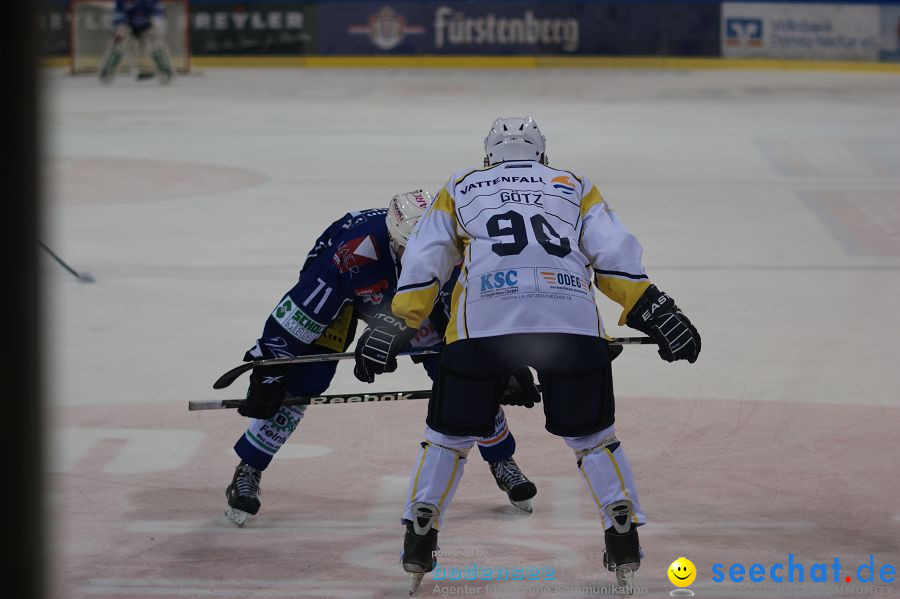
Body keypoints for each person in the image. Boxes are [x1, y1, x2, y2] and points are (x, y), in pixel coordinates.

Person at [354, 117, 701, 595]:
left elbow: (427, 256)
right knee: (594, 437)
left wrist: (400, 320)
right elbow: (613, 254)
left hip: (484, 325)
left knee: (449, 437)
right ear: (541, 154)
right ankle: (620, 527)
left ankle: (420, 527)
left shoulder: (460, 184)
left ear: (488, 156)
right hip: (569, 322)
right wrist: (651, 306)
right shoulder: (575, 184)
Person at [225, 191, 539, 527]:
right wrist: (271, 369)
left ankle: (501, 459)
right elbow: (301, 313)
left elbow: (476, 315)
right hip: (355, 296)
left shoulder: (457, 248)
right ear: (393, 240)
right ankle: (249, 467)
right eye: (411, 249)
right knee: (305, 378)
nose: (423, 257)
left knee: (467, 375)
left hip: (420, 301)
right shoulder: (350, 255)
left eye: (430, 248)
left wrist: (502, 363)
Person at [99, 0, 174, 83]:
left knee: (156, 42)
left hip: (147, 25)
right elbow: (118, 14)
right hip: (128, 25)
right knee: (118, 41)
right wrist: (119, 25)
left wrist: (159, 22)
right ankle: (107, 71)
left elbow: (159, 12)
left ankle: (165, 71)